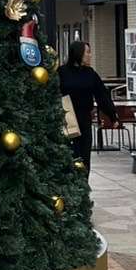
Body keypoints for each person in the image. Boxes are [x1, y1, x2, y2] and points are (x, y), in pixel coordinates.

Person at [58, 40, 118, 175]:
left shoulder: (90, 73)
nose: (90, 55)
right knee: (69, 155)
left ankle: (83, 186)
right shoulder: (62, 72)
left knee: (84, 156)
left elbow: (102, 95)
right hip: (66, 119)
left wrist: (112, 115)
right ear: (78, 53)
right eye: (88, 52)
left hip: (84, 119)